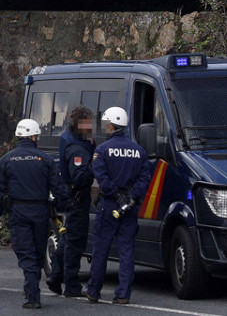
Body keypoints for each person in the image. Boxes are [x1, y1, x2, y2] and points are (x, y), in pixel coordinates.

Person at [0, 119, 72, 309]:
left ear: (19, 136)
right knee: (37, 251)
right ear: (35, 136)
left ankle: (32, 295)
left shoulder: (6, 160)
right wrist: (62, 208)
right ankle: (33, 291)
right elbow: (58, 188)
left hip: (18, 211)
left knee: (25, 252)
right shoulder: (45, 159)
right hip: (40, 211)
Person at [85, 107, 152, 305]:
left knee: (101, 250)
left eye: (106, 124)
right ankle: (123, 293)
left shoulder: (102, 150)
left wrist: (116, 195)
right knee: (126, 251)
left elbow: (102, 178)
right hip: (129, 207)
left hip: (109, 205)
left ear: (112, 125)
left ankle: (93, 291)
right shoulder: (138, 151)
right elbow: (144, 178)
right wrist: (130, 197)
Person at [47, 106, 96, 297]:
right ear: (78, 124)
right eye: (87, 123)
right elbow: (80, 177)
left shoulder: (71, 139)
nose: (90, 126)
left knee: (67, 239)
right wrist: (93, 165)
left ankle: (56, 275)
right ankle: (72, 284)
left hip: (70, 197)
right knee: (75, 242)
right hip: (77, 198)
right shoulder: (76, 147)